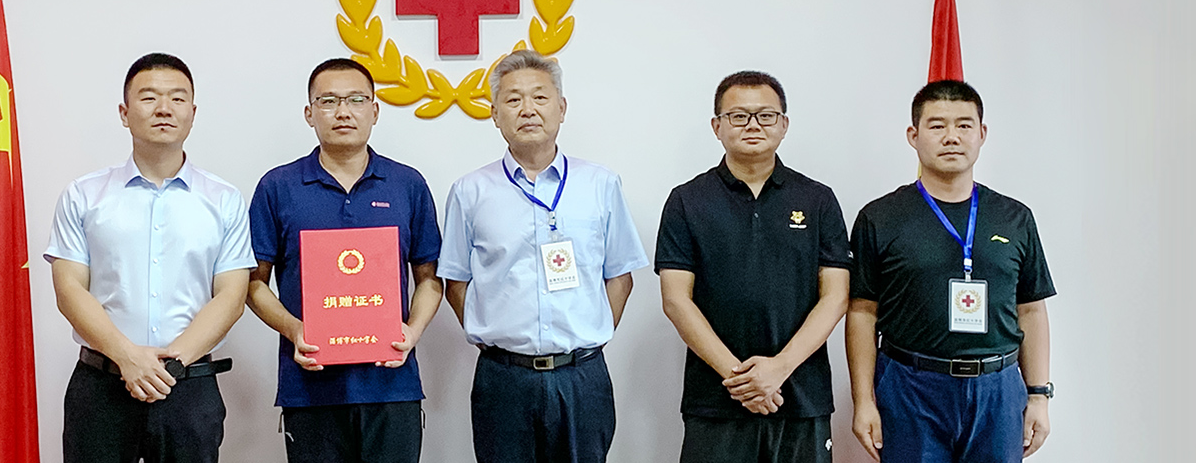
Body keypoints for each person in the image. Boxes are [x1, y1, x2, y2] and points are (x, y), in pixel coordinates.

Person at [439, 49, 650, 463]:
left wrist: (588, 332)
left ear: (562, 108)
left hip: (582, 376)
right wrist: (498, 335)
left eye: (540, 97)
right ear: (494, 114)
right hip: (503, 379)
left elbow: (620, 276)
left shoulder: (600, 185)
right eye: (513, 99)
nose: (528, 109)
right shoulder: (470, 192)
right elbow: (456, 282)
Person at [44, 53, 255, 463]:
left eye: (177, 98)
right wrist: (127, 357)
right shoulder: (84, 195)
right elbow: (69, 290)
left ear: (192, 113)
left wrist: (167, 365)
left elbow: (231, 297)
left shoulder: (224, 200)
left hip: (188, 387)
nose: (164, 108)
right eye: (148, 97)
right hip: (102, 387)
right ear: (124, 113)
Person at [246, 58, 445, 463]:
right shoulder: (278, 187)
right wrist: (295, 329)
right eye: (328, 101)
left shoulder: (407, 184)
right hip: (311, 389)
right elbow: (253, 284)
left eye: (356, 100)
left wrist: (413, 330)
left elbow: (429, 276)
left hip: (392, 386)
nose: (343, 112)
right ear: (309, 113)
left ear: (375, 110)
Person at [846, 80, 1057, 462]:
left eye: (963, 125)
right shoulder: (880, 217)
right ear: (913, 135)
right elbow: (862, 312)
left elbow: (1031, 308)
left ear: (982, 134)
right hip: (911, 386)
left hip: (998, 389)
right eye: (937, 125)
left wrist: (1039, 395)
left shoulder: (1014, 218)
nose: (951, 137)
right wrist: (863, 400)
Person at [656, 71, 852, 463]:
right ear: (717, 126)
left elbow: (836, 297)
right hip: (717, 399)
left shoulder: (817, 200)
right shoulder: (687, 201)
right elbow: (676, 300)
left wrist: (778, 369)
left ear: (784, 125)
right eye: (738, 116)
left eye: (765, 115)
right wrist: (740, 378)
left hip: (801, 396)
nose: (753, 125)